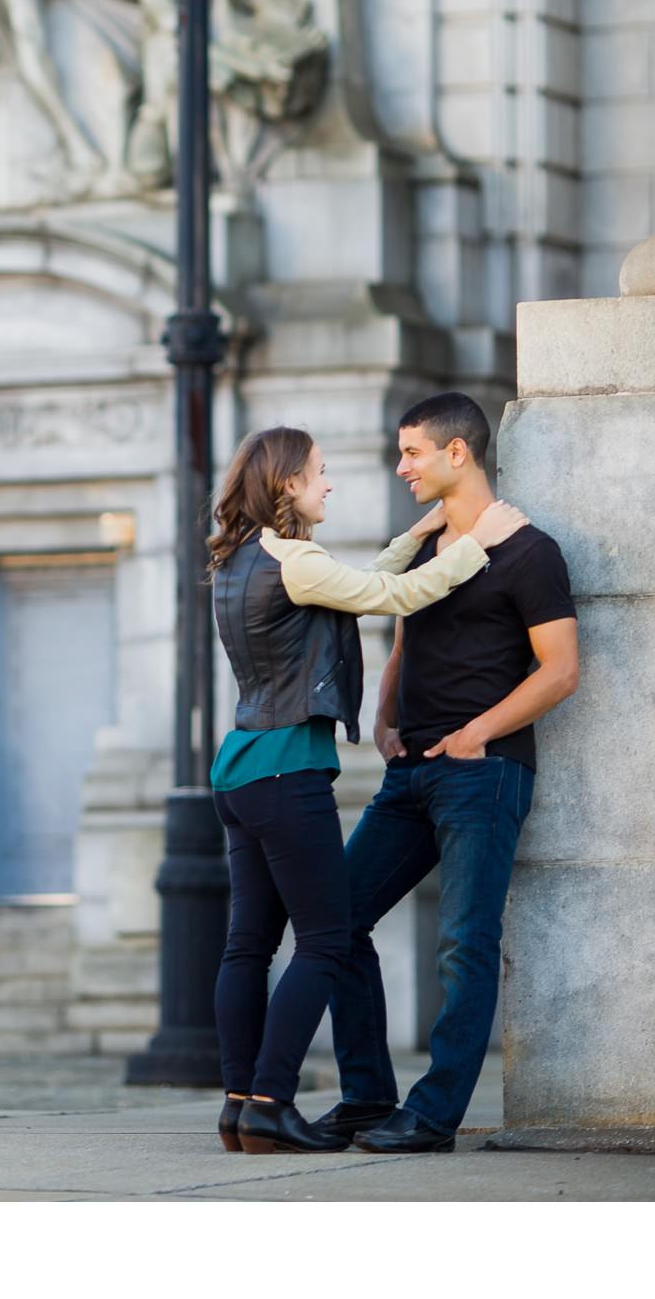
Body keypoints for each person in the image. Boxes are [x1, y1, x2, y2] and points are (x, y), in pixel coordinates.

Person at [207, 425, 528, 1156]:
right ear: (287, 483)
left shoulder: (238, 559)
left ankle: (237, 1107)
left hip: (240, 767)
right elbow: (391, 595)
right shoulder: (296, 561)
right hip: (288, 767)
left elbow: (344, 587)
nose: (327, 485)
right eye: (319, 474)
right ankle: (270, 1101)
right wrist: (479, 543)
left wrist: (415, 529)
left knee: (247, 946)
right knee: (323, 939)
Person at [307, 392, 579, 1154]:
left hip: (482, 772)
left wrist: (475, 735)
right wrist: (386, 717)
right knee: (335, 920)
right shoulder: (426, 550)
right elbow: (400, 645)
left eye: (411, 452)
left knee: (463, 941)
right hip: (409, 773)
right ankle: (366, 1097)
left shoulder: (530, 552)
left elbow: (559, 672)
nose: (401, 467)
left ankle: (432, 1117)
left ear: (457, 453)